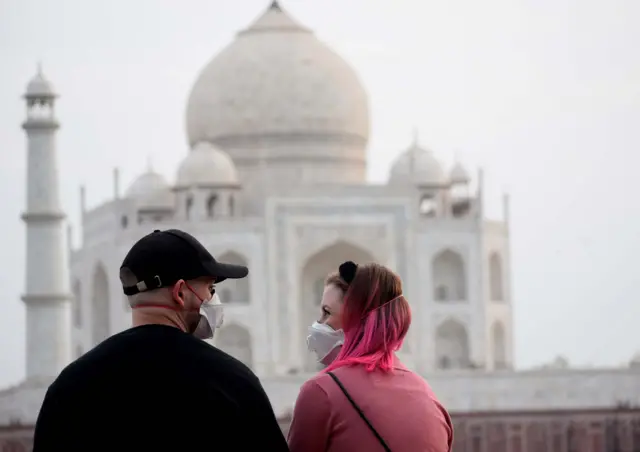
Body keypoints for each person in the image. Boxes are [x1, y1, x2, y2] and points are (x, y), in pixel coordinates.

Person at [32, 229, 289, 451]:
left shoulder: (71, 385)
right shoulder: (230, 381)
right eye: (209, 289)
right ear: (180, 292)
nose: (213, 298)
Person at [289, 261, 454, 452]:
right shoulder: (428, 397)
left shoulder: (321, 393)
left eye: (327, 312)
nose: (319, 323)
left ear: (355, 320)